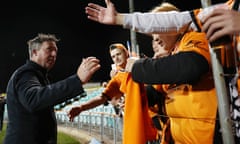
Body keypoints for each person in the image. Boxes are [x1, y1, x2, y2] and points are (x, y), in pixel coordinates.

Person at [3, 33, 100, 144]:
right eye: (49, 49)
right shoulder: (26, 73)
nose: (54, 54)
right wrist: (77, 80)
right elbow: (33, 100)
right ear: (34, 52)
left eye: (55, 51)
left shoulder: (39, 75)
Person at [68, 43, 158, 144]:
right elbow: (103, 97)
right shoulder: (118, 78)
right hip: (139, 122)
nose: (116, 58)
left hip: (157, 116)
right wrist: (81, 107)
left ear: (126, 52)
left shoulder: (142, 65)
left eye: (118, 54)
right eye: (113, 56)